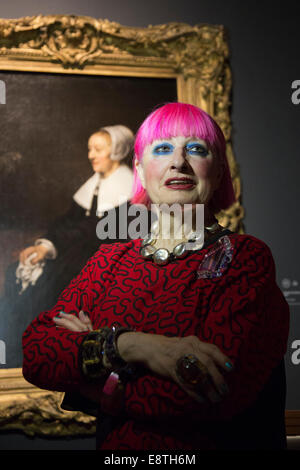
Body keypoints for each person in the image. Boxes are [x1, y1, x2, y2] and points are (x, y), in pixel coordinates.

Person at [22, 103, 290, 450]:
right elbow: (37, 352)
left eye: (196, 148)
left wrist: (89, 384)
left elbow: (209, 396)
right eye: (162, 149)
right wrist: (133, 345)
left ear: (220, 171)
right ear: (140, 169)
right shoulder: (110, 260)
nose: (179, 162)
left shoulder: (245, 258)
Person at [1, 125, 135, 367]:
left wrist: (54, 247)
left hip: (106, 258)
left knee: (51, 282)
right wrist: (45, 244)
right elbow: (67, 222)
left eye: (98, 149)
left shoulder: (129, 190)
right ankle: (16, 351)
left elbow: (97, 231)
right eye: (89, 149)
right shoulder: (94, 183)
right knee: (15, 271)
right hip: (77, 249)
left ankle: (45, 354)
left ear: (116, 151)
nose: (90, 155)